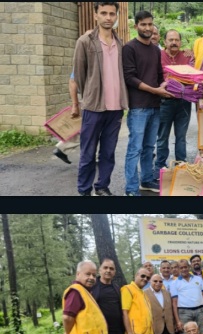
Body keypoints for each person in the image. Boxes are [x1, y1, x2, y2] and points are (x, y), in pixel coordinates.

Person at [73, 2, 128, 196]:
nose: (108, 17)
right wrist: (90, 95)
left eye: (112, 14)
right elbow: (79, 76)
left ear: (116, 17)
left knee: (108, 152)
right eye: (103, 13)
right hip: (94, 108)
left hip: (115, 109)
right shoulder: (85, 41)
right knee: (87, 154)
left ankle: (102, 186)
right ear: (95, 14)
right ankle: (84, 190)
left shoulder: (121, 44)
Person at [123, 11, 174, 196]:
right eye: (143, 24)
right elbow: (130, 77)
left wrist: (166, 85)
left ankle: (146, 180)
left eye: (150, 24)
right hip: (138, 107)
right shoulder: (129, 48)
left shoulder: (155, 50)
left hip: (155, 106)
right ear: (136, 26)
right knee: (134, 148)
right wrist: (155, 90)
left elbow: (160, 76)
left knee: (149, 147)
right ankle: (130, 188)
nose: (147, 28)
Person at [154, 30, 195, 180]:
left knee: (181, 136)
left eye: (177, 40)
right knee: (162, 136)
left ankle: (181, 165)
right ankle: (159, 166)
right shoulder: (158, 56)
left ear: (180, 42)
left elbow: (194, 75)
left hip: (184, 102)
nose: (174, 43)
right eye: (170, 40)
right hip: (165, 102)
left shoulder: (186, 56)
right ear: (164, 42)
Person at [170, 259, 203, 334]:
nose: (184, 269)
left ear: (189, 267)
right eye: (181, 268)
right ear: (178, 269)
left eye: (185, 267)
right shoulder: (174, 283)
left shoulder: (198, 279)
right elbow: (174, 303)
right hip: (184, 313)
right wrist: (177, 321)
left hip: (200, 311)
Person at [53, 73, 80, 165]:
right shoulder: (81, 60)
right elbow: (72, 81)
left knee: (83, 128)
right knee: (91, 129)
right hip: (86, 98)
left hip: (86, 97)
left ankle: (62, 148)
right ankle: (62, 148)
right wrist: (75, 104)